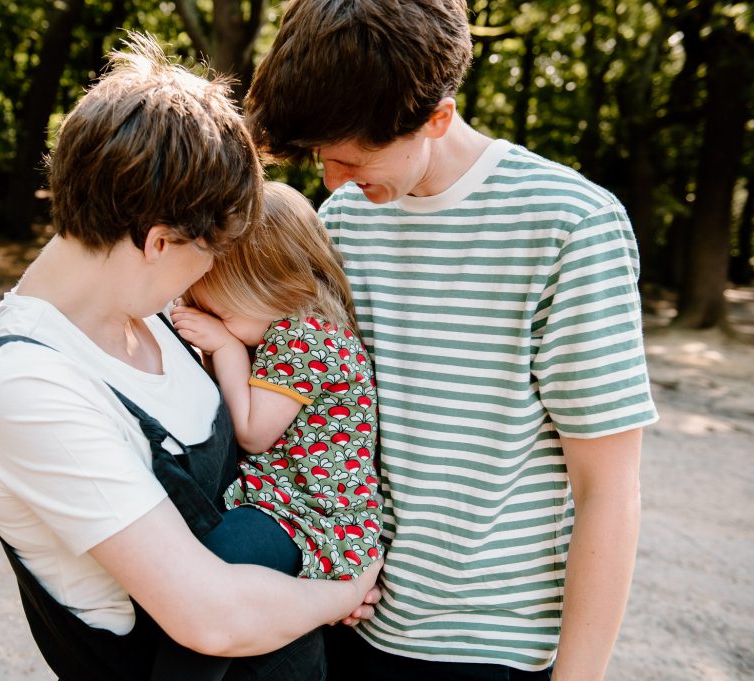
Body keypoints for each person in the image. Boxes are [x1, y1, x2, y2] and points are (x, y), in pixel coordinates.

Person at [244, 2, 659, 680]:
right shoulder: (346, 218)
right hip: (350, 616)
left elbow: (610, 489)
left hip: (493, 649)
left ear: (436, 118)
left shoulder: (570, 227)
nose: (330, 181)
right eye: (323, 158)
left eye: (349, 159)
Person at [0, 33, 380, 681]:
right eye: (207, 255)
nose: (202, 281)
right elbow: (210, 616)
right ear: (157, 241)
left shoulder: (152, 314)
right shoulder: (26, 386)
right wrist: (346, 593)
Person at [155, 180, 385, 680]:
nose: (208, 315)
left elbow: (255, 433)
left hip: (311, 517)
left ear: (264, 281)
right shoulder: (308, 326)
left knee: (213, 573)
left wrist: (227, 350)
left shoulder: (302, 336)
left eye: (219, 308)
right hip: (294, 507)